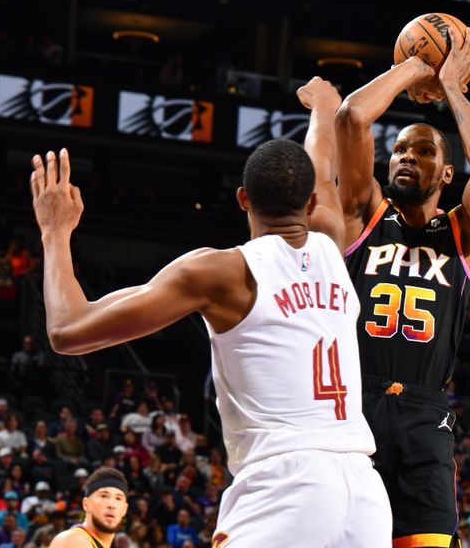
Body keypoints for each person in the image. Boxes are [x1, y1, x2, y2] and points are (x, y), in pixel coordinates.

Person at [29, 133, 391, 542]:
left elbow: (67, 330)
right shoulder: (331, 243)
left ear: (242, 199)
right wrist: (323, 105)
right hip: (365, 493)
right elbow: (323, 163)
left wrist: (54, 232)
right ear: (310, 204)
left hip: (287, 485)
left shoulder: (220, 273)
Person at [332, 26, 470, 546]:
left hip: (425, 419)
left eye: (423, 151)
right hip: (353, 409)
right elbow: (351, 117)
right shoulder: (362, 213)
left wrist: (451, 85)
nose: (407, 156)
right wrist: (413, 66)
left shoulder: (462, 233)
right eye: (401, 150)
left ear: (447, 172)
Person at [49, 467, 129, 548]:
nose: (112, 504)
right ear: (86, 504)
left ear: (124, 509)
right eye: (104, 496)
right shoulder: (75, 539)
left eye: (118, 498)